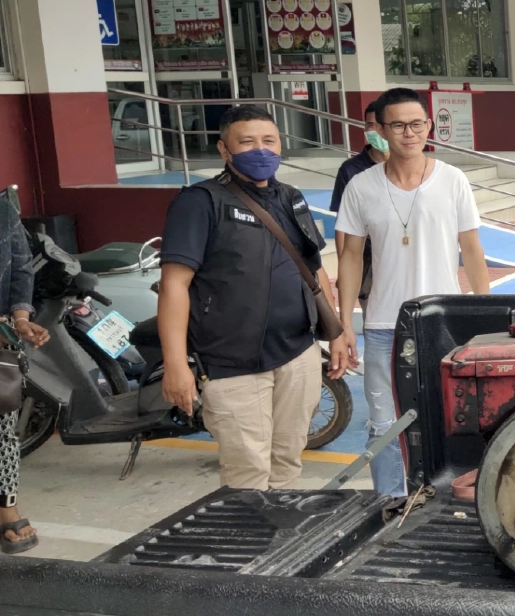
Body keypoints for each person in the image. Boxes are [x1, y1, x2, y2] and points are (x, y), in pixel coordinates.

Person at [158, 105, 351, 491]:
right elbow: (174, 285)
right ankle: (252, 548)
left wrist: (338, 331)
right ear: (224, 150)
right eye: (247, 142)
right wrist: (175, 363)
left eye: (269, 141)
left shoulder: (291, 197)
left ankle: (283, 543)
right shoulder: (199, 203)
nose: (260, 150)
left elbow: (313, 271)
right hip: (233, 365)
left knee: (287, 462)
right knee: (247, 474)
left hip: (297, 353)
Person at [335, 88, 491, 499]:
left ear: (429, 127)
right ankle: (390, 502)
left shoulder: (452, 180)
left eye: (417, 123)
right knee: (384, 423)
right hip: (385, 324)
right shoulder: (360, 187)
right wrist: (344, 322)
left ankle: (441, 497)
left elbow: (472, 250)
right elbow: (350, 256)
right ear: (381, 130)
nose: (409, 133)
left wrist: (484, 312)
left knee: (448, 416)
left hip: (443, 324)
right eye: (398, 125)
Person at [1, 196, 47, 554]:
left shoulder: (3, 208)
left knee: (3, 431)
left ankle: (6, 508)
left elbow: (20, 269)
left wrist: (20, 319)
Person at [331, 98, 387, 310]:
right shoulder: (351, 170)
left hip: (404, 256)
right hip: (367, 259)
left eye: (380, 125)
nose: (375, 131)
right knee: (374, 320)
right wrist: (343, 268)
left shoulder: (410, 167)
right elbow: (342, 224)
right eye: (369, 125)